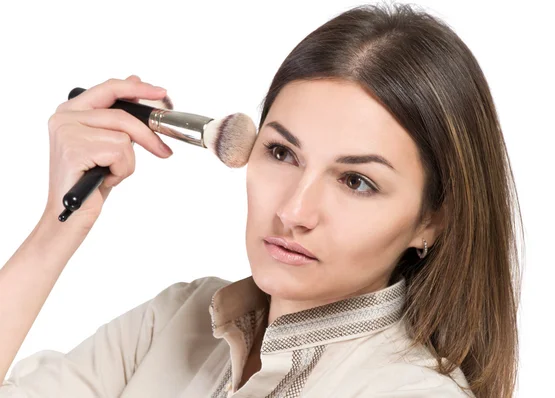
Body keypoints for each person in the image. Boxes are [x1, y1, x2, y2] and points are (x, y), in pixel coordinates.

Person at [0, 3, 522, 397]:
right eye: (281, 152)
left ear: (431, 221)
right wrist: (57, 226)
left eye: (356, 181)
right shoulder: (176, 318)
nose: (293, 212)